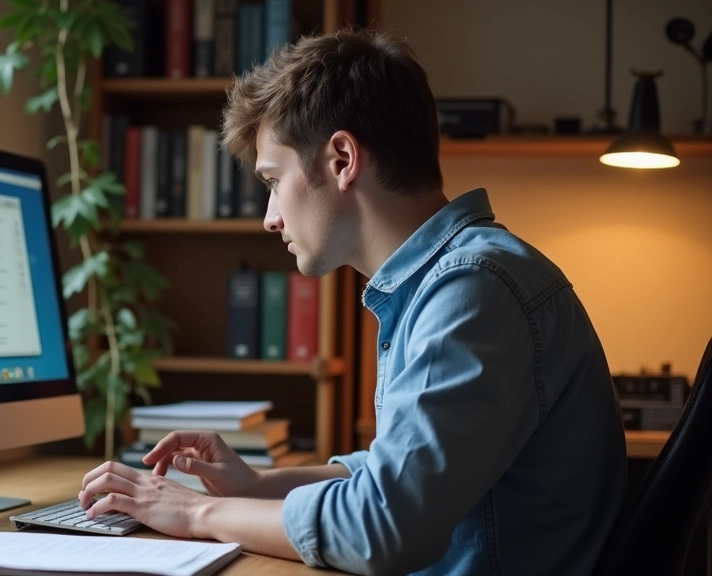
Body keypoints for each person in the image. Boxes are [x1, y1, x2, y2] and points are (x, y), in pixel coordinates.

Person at [78, 28, 627, 576]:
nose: (270, 217)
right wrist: (257, 485)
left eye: (273, 180)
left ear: (342, 159)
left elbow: (381, 528)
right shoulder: (459, 279)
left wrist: (197, 511)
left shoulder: (472, 290)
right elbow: (397, 474)